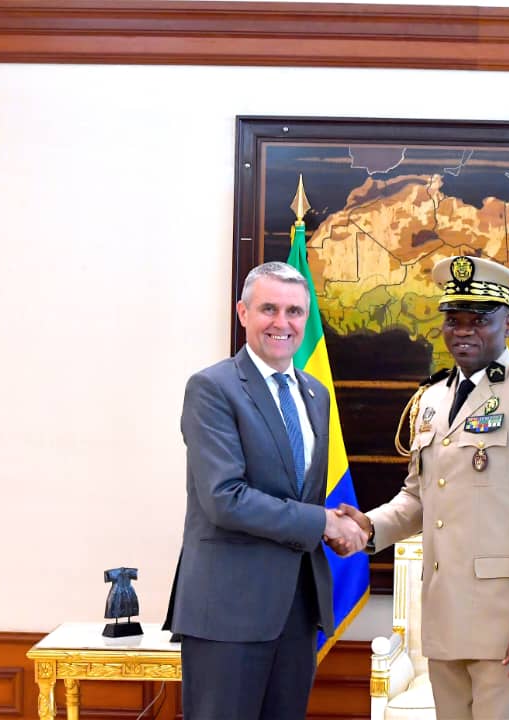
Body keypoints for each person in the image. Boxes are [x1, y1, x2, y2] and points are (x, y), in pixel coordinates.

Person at [334, 254, 509, 719]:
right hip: (445, 620)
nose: (463, 331)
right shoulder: (432, 398)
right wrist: (368, 527)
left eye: (479, 320)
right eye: (454, 319)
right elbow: (418, 496)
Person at [163, 261, 368, 720]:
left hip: (298, 609)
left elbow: (302, 494)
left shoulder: (315, 393)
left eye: (294, 311)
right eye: (269, 309)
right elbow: (225, 498)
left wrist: (340, 525)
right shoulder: (212, 388)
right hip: (228, 611)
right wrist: (322, 522)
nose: (283, 322)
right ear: (243, 313)